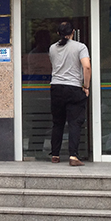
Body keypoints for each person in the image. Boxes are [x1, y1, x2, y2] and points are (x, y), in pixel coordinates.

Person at [48, 21, 90, 166]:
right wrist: (86, 86)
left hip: (56, 88)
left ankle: (55, 154)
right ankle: (73, 156)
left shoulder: (52, 48)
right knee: (74, 123)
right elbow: (86, 66)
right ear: (73, 32)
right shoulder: (80, 47)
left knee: (57, 123)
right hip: (73, 88)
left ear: (58, 33)